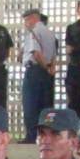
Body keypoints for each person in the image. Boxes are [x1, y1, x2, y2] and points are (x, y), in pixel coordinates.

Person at [18, 9, 58, 142]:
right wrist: (50, 68)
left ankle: (31, 137)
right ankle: (47, 136)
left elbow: (36, 53)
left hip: (35, 70)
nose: (25, 23)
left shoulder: (34, 32)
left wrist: (44, 66)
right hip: (47, 73)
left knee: (30, 105)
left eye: (26, 20)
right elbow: (53, 56)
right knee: (46, 106)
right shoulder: (50, 33)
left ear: (34, 18)